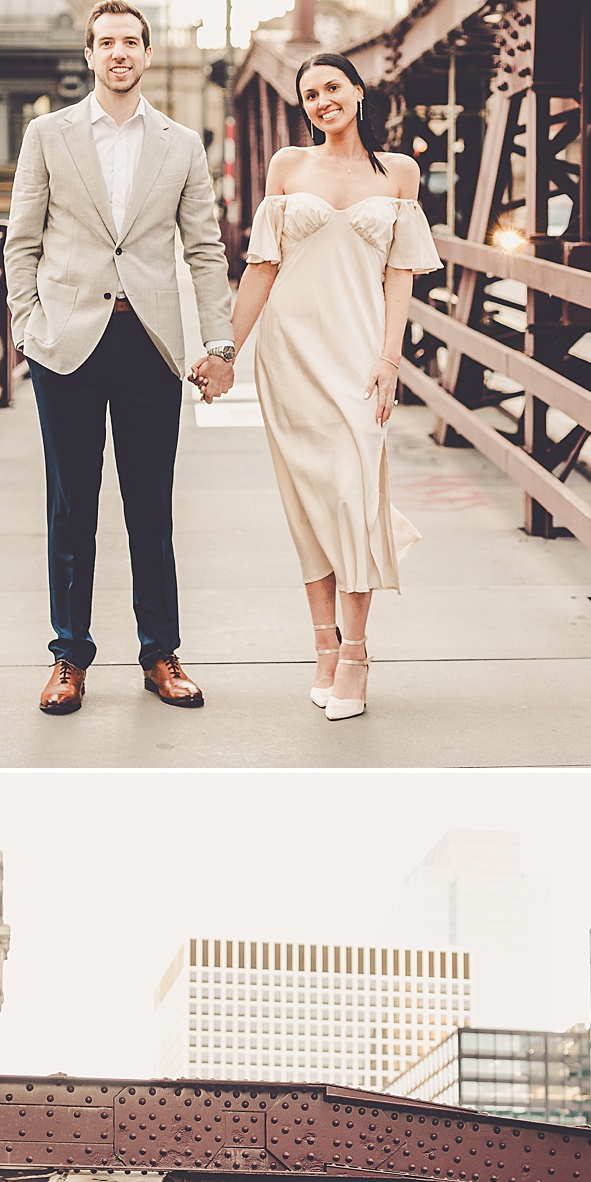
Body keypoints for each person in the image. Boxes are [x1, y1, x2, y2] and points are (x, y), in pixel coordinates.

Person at [5, 0, 237, 717]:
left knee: (150, 508)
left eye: (131, 42)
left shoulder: (181, 143)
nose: (120, 53)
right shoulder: (48, 135)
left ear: (146, 52)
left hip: (150, 344)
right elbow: (23, 240)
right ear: (90, 55)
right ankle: (68, 657)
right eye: (106, 42)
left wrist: (219, 342)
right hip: (66, 345)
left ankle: (160, 653)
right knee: (71, 509)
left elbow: (203, 248)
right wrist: (26, 329)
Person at [196, 52, 440, 722]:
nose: (322, 100)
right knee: (309, 505)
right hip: (291, 356)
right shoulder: (286, 166)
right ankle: (324, 648)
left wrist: (390, 361)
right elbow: (261, 269)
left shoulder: (399, 174)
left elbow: (400, 276)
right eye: (310, 93)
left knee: (356, 497)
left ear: (359, 93)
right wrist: (226, 354)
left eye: (333, 87)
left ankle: (357, 654)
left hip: (360, 356)